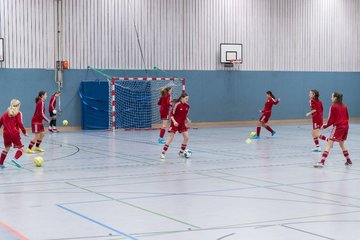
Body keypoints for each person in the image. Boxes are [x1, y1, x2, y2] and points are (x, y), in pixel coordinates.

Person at [314, 92, 352, 168]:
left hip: (338, 127)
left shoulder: (333, 107)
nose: (331, 98)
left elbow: (331, 120)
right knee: (341, 144)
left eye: (332, 97)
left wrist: (324, 126)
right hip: (346, 127)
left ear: (335, 98)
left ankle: (322, 162)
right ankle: (348, 160)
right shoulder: (344, 105)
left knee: (329, 144)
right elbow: (347, 117)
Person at [160, 93, 191, 159]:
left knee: (186, 137)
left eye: (188, 99)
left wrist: (188, 120)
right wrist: (174, 122)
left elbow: (185, 115)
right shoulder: (177, 105)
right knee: (170, 138)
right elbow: (171, 114)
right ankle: (163, 153)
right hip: (175, 123)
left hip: (182, 124)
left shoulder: (188, 106)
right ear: (182, 98)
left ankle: (181, 152)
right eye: (186, 98)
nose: (187, 100)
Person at [0, 99, 27, 168]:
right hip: (14, 133)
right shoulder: (18, 113)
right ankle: (15, 159)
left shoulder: (5, 114)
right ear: (18, 105)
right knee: (21, 148)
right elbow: (20, 124)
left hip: (6, 134)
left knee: (6, 148)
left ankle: (1, 163)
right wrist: (24, 132)